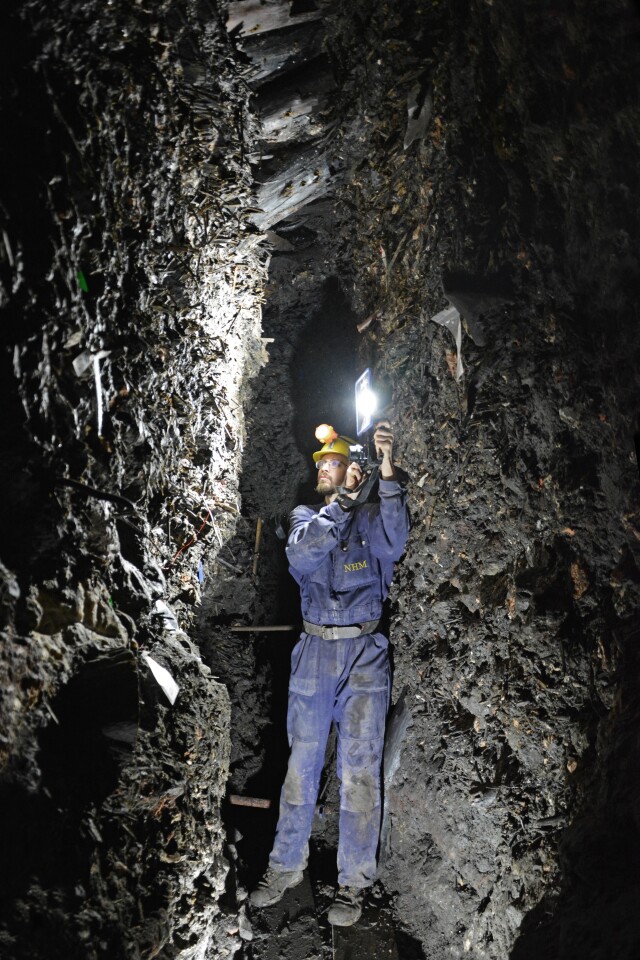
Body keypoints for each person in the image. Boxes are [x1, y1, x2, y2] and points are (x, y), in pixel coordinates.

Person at [249, 421, 410, 926]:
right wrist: (338, 504)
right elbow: (302, 553)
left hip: (364, 653)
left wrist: (385, 471)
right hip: (315, 653)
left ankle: (353, 883)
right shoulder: (307, 516)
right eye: (320, 467)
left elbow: (396, 540)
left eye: (333, 464)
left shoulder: (368, 519)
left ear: (349, 468)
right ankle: (285, 866)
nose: (325, 471)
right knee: (302, 767)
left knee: (360, 770)